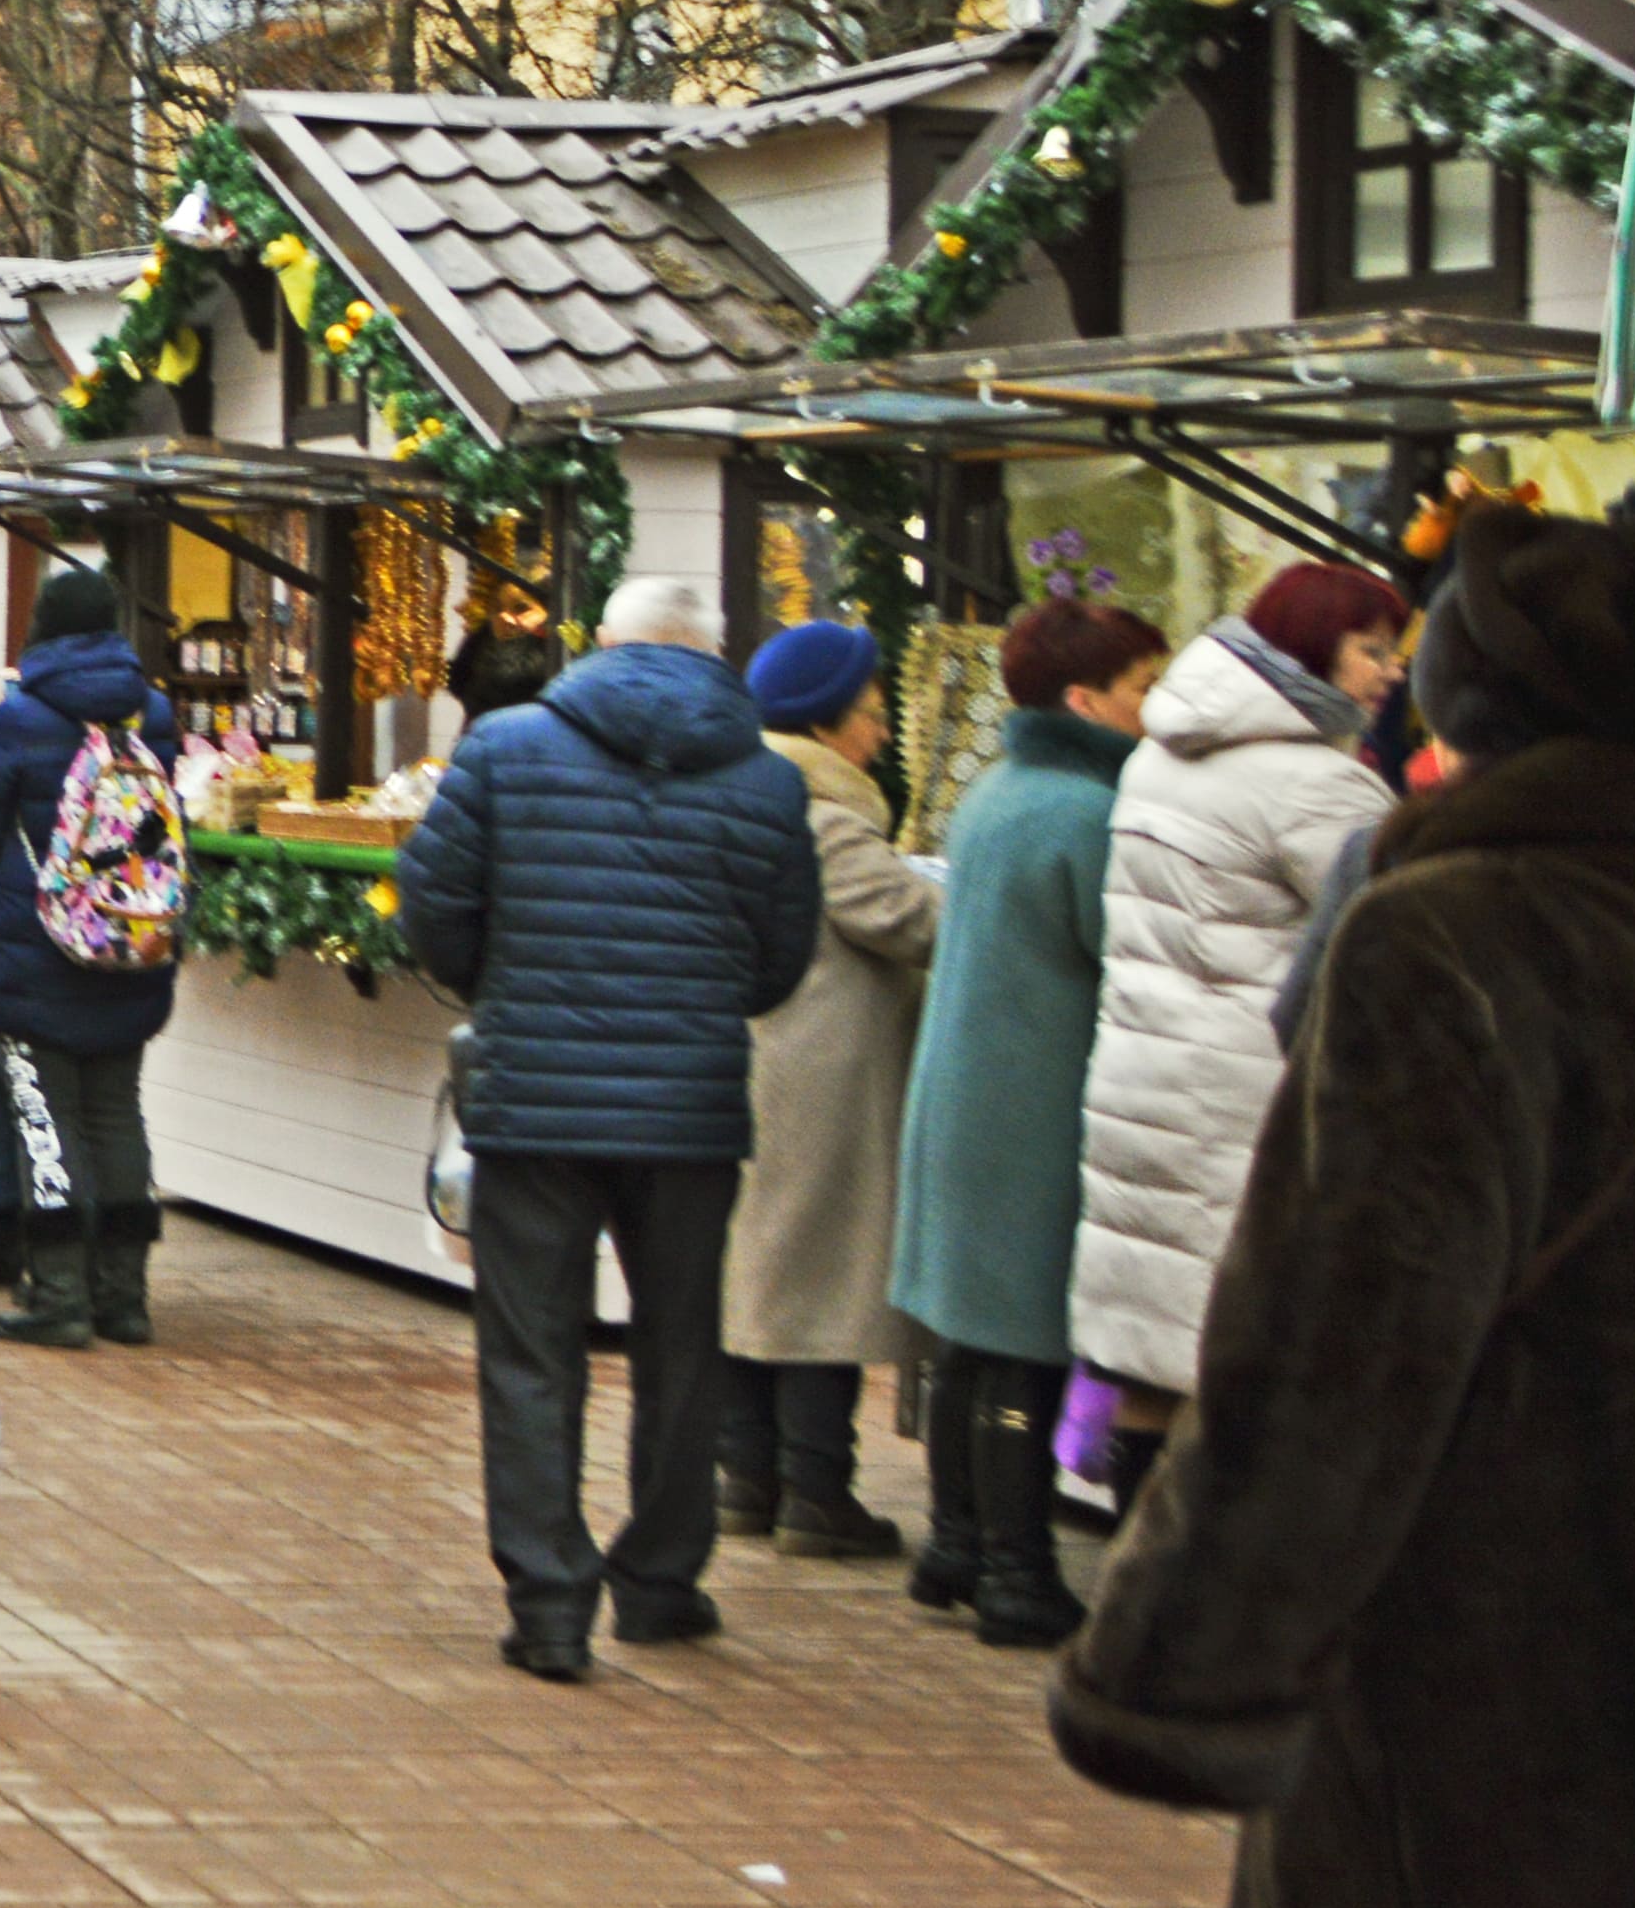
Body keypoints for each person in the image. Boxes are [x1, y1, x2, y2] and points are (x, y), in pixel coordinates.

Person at [1063, 501, 1635, 1908]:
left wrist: (1181, 1664)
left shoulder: (1452, 927)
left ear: (1469, 698)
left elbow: (1334, 1345)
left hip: (1496, 1605)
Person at [395, 570, 822, 1681]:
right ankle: (661, 1580)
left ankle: (548, 1603)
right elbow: (781, 958)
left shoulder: (503, 748)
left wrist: (504, 990)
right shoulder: (769, 780)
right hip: (690, 1104)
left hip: (535, 1096)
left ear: (606, 643)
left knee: (531, 1352)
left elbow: (432, 906)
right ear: (709, 652)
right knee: (681, 1346)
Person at [1074, 563, 1407, 1492]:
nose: (1391, 673)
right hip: (1243, 1103)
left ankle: (1137, 1558)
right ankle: (1208, 1569)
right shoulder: (1319, 787)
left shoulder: (1158, 755)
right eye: (1372, 651)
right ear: (1313, 652)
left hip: (1141, 1084)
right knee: (1246, 1363)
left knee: (1152, 1355)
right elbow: (1391, 946)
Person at [886, 598, 1167, 1649]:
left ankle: (955, 1546)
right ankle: (1016, 1573)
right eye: (1143, 685)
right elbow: (1122, 955)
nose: (1156, 706)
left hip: (969, 1093)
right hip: (1035, 1105)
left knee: (970, 1339)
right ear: (1085, 701)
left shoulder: (998, 789)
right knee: (1023, 1344)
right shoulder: (1088, 813)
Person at [708, 619, 936, 1558]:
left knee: (756, 1276)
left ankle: (746, 1476)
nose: (883, 733)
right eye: (872, 715)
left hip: (761, 1065)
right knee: (817, 1284)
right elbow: (904, 918)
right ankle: (816, 1489)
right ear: (822, 723)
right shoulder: (820, 815)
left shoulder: (740, 795)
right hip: (818, 1080)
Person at [0, 563, 182, 1351]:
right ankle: (124, 1299)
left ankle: (59, 1297)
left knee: (48, 1121)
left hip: (37, 953)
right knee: (116, 1114)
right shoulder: (153, 712)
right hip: (133, 943)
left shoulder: (18, 717)